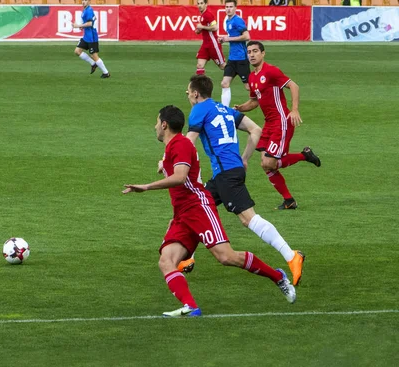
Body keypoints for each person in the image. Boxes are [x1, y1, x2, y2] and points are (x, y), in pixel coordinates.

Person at [122, 105, 296, 317]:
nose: (155, 126)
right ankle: (191, 307)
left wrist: (147, 186)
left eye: (157, 122)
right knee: (166, 260)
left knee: (226, 257)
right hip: (182, 214)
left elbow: (181, 177)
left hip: (198, 207)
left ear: (164, 124)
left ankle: (278, 277)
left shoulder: (182, 144)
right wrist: (164, 163)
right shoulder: (172, 147)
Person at [180, 74, 305, 286]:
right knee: (197, 208)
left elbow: (188, 142)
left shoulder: (198, 110)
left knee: (249, 219)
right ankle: (187, 257)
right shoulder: (225, 109)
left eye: (188, 90)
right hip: (227, 172)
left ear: (195, 93)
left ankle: (291, 256)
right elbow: (256, 130)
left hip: (227, 174)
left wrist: (169, 159)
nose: (187, 94)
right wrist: (244, 158)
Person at [234, 41, 321, 210]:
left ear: (263, 53)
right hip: (269, 124)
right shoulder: (252, 77)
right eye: (249, 52)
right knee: (266, 163)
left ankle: (304, 158)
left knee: (269, 163)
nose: (251, 55)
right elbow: (254, 102)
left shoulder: (271, 71)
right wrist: (241, 108)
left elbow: (293, 86)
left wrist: (294, 110)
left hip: (281, 122)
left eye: (255, 51)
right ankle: (289, 200)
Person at [218, 0, 250, 108]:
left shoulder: (238, 20)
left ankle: (267, 97)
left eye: (231, 7)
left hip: (241, 59)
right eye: (227, 7)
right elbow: (230, 37)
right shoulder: (227, 21)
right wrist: (224, 39)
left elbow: (247, 36)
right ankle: (224, 109)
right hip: (232, 59)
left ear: (235, 8)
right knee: (224, 83)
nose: (228, 9)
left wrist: (229, 39)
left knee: (248, 87)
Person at [72, 0, 110, 79]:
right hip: (86, 36)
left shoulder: (88, 10)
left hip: (92, 37)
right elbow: (94, 19)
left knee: (94, 56)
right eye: (82, 0)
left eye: (85, 0)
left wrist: (78, 26)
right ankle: (93, 64)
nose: (83, 2)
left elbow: (90, 23)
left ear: (89, 2)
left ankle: (106, 72)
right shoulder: (85, 10)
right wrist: (82, 26)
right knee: (77, 51)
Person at [194, 0, 226, 76]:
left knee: (222, 66)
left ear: (206, 4)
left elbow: (215, 27)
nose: (199, 5)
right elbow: (205, 28)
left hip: (213, 44)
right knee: (200, 65)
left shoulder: (208, 15)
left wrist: (202, 27)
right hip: (205, 44)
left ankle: (238, 70)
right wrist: (199, 30)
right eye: (198, 4)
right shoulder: (203, 16)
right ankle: (201, 85)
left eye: (201, 3)